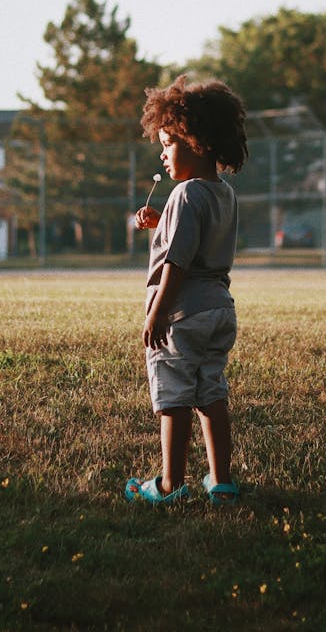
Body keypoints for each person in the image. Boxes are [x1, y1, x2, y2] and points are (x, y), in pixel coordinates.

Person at [125, 75, 248, 505]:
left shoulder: (184, 194)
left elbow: (177, 264)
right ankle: (222, 481)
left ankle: (169, 484)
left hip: (181, 314)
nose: (162, 152)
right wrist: (162, 223)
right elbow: (199, 243)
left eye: (169, 142)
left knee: (174, 398)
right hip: (218, 309)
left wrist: (157, 311)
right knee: (211, 394)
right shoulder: (223, 194)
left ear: (198, 143)